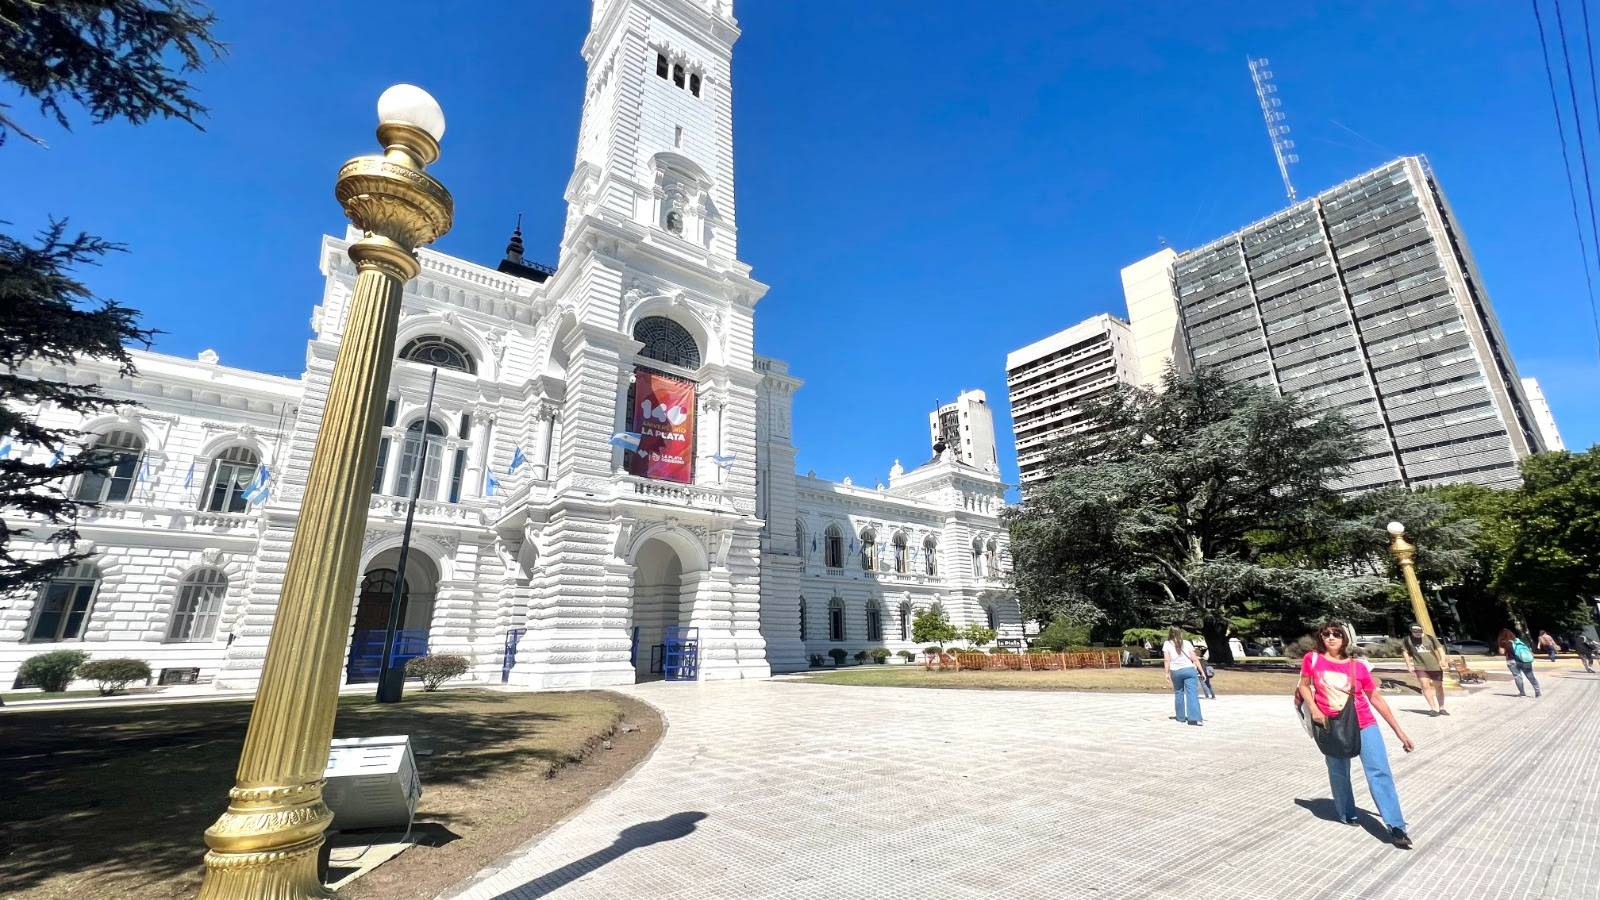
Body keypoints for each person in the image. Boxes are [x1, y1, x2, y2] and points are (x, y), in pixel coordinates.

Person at [1298, 621, 1416, 849]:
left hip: (1364, 723)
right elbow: (1304, 686)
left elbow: (1376, 698)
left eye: (1336, 634)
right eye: (1326, 634)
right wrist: (1314, 710)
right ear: (1321, 638)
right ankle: (1346, 812)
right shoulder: (1312, 659)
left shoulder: (1358, 667)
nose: (1331, 638)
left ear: (1344, 638)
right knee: (1339, 771)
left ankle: (1396, 826)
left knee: (1380, 771)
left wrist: (1399, 731)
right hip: (1331, 725)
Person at [1400, 624, 1448, 716]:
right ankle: (1432, 708)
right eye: (1415, 633)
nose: (1418, 634)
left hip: (1434, 666)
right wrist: (1409, 665)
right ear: (1411, 631)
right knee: (1425, 685)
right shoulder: (1407, 640)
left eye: (1419, 632)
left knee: (1438, 686)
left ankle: (1441, 707)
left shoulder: (1430, 638)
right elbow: (1405, 652)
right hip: (1420, 666)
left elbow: (1440, 648)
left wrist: (1442, 659)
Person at [1162, 626, 1204, 725]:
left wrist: (1167, 673)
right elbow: (1195, 659)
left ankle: (1180, 717)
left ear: (1170, 633)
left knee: (1179, 692)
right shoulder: (1187, 643)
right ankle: (1194, 717)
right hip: (1189, 669)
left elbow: (1167, 660)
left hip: (1175, 671)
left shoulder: (1167, 644)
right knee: (1192, 693)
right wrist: (1202, 671)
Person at [1500, 629, 1541, 698]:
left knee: (1517, 677)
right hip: (1524, 660)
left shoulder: (1504, 642)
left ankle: (1522, 693)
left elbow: (1501, 652)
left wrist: (1501, 646)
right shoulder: (1517, 641)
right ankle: (1538, 693)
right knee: (1531, 676)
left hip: (1512, 661)